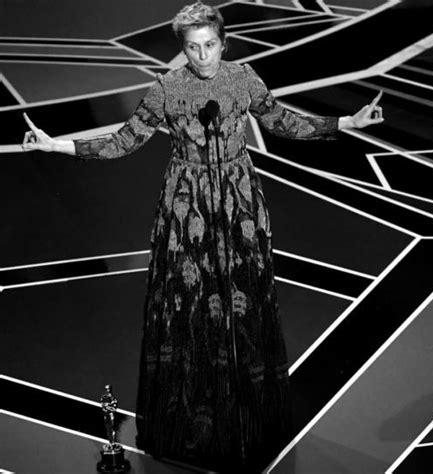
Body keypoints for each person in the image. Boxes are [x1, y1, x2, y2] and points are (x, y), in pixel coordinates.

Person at [21, 2, 384, 472]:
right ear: (183, 49)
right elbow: (124, 140)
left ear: (223, 43)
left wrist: (348, 122)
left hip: (238, 203)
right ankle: (193, 423)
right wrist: (56, 145)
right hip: (186, 204)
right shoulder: (167, 88)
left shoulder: (243, 78)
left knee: (242, 305)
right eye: (193, 47)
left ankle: (247, 420)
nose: (203, 56)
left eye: (210, 45)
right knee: (190, 306)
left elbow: (282, 121)